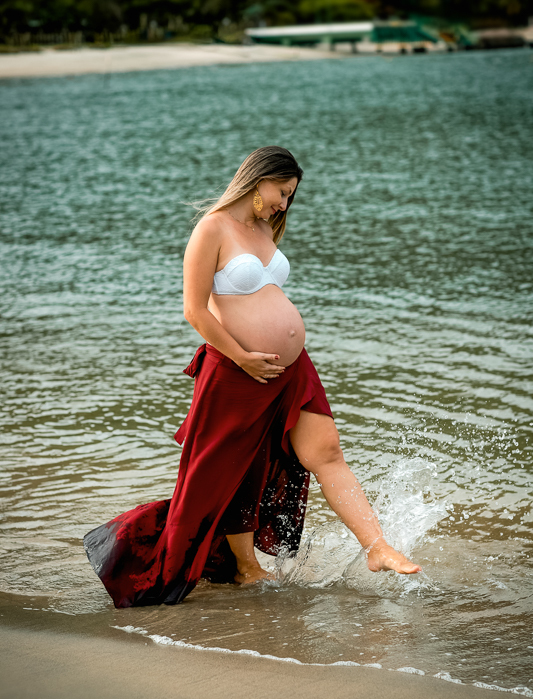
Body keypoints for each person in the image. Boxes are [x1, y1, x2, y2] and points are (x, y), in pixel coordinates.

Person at [84, 146, 421, 609]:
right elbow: (194, 310)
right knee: (226, 474)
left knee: (326, 451)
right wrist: (243, 357)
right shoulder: (212, 227)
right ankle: (243, 568)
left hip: (290, 369)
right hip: (236, 369)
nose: (285, 203)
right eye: (282, 191)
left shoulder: (264, 228)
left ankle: (376, 547)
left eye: (290, 196)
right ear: (258, 179)